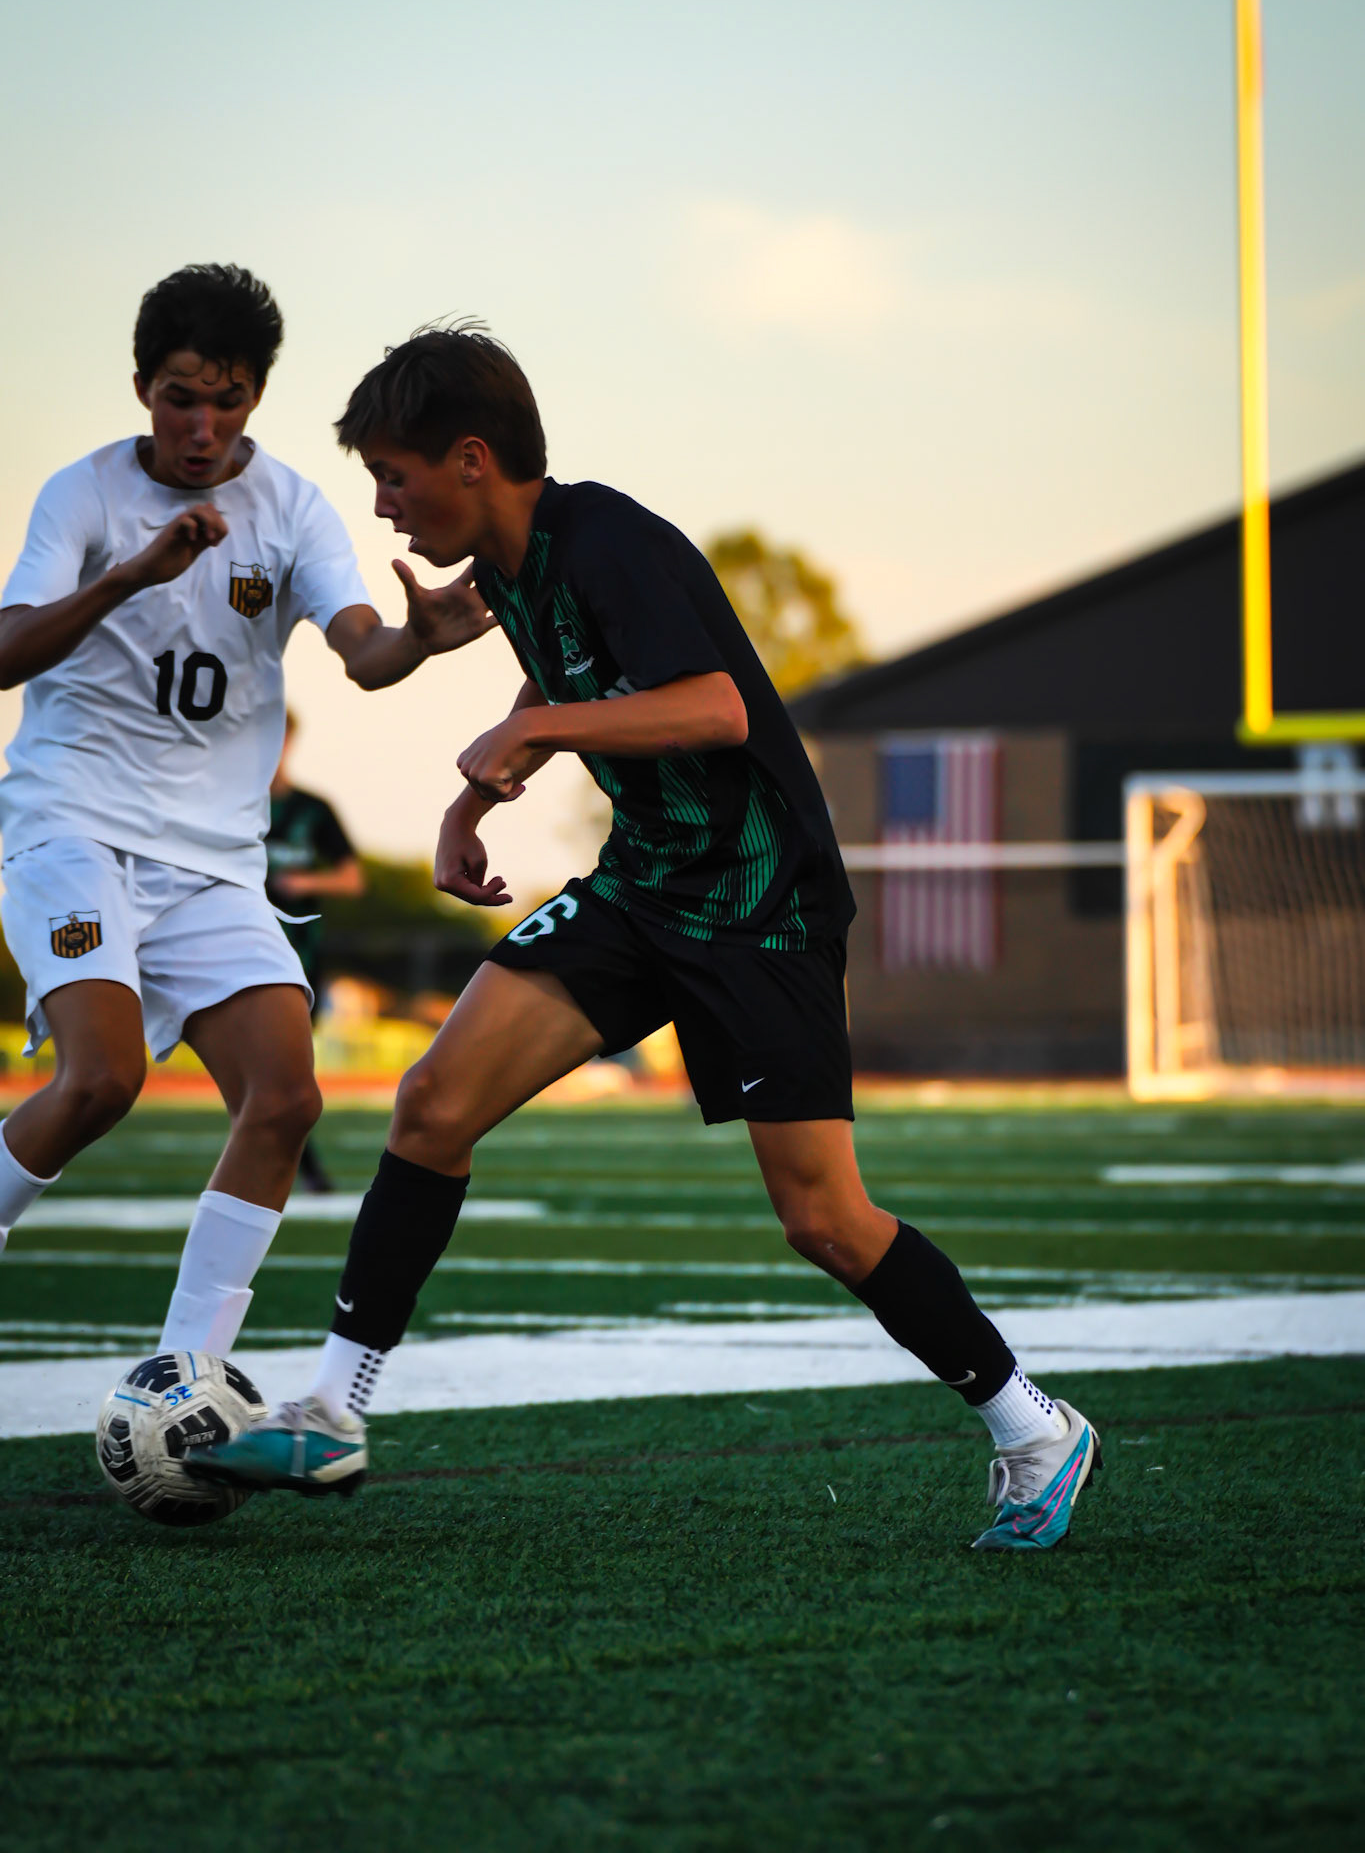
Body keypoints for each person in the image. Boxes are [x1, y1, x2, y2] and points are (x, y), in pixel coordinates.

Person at [194, 324, 1101, 1551]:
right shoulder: (509, 566)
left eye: (394, 476)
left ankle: (1035, 1427)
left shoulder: (607, 535)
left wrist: (536, 733)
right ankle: (332, 1410)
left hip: (762, 902)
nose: (383, 505)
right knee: (432, 1103)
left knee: (825, 1218)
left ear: (472, 459)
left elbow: (716, 707)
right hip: (644, 886)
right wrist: (471, 803)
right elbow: (560, 673)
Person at [0, 268, 491, 1364]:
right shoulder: (82, 497)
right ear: (143, 386)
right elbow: (5, 649)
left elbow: (363, 650)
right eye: (181, 398)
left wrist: (419, 640)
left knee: (284, 1098)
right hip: (72, 830)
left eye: (226, 401)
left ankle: (186, 1372)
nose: (202, 426)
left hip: (214, 863)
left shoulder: (294, 507)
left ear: (257, 395)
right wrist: (129, 577)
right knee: (101, 1080)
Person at [266, 710, 364, 1193]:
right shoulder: (225, 805)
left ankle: (296, 1163)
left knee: (289, 1071)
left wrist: (304, 882)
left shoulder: (312, 809)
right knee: (264, 1069)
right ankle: (299, 1166)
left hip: (298, 955)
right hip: (237, 952)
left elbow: (352, 877)